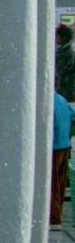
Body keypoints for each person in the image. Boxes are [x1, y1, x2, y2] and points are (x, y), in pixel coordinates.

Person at [51, 88, 74, 227]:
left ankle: (54, 218)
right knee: (60, 183)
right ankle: (57, 215)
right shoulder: (62, 100)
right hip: (65, 146)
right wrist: (67, 135)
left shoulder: (47, 101)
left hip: (53, 148)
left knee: (52, 184)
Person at [56, 24, 75, 102]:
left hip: (67, 90)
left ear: (63, 38)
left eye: (57, 36)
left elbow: (61, 70)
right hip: (63, 89)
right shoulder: (62, 50)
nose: (56, 38)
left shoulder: (68, 52)